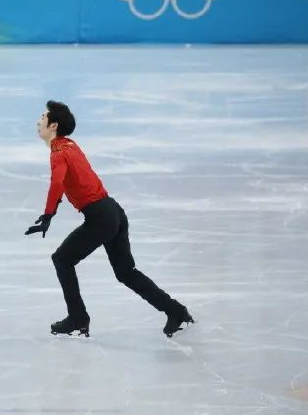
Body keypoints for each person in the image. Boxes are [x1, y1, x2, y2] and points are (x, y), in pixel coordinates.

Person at [25, 100, 194, 338]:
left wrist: (48, 214)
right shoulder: (70, 145)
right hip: (113, 211)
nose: (38, 121)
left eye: (42, 118)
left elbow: (57, 183)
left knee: (62, 259)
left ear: (53, 126)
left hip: (100, 218)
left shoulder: (59, 153)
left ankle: (78, 318)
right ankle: (176, 311)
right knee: (126, 272)